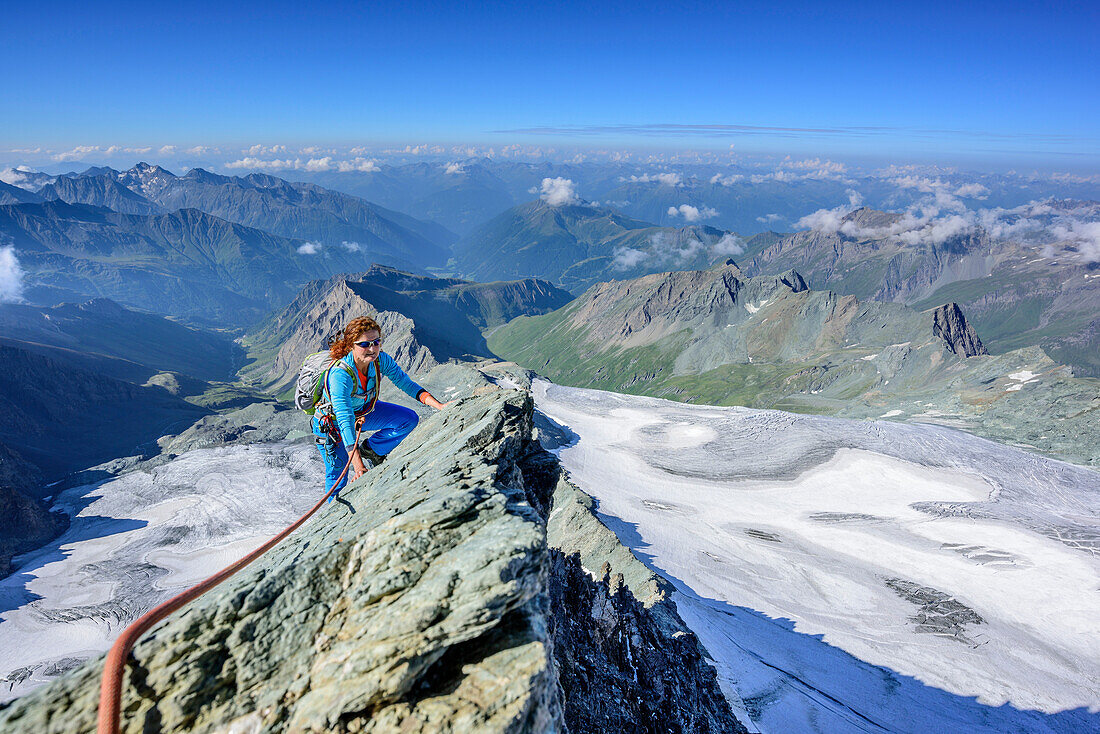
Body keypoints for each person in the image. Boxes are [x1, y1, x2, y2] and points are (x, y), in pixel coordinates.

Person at [311, 316, 447, 496]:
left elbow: (405, 383)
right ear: (351, 345)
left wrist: (439, 406)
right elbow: (344, 418)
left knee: (408, 420)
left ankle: (372, 450)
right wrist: (358, 467)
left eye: (376, 342)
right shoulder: (340, 375)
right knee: (338, 472)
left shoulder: (380, 360)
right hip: (332, 424)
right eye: (365, 344)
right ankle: (331, 515)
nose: (372, 348)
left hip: (364, 412)